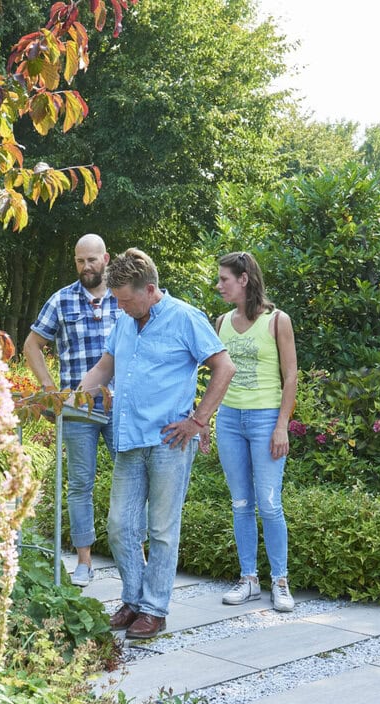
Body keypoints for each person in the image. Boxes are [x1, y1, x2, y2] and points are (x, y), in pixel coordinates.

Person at [78, 248, 235, 638]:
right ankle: (133, 600)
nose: (120, 307)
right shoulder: (125, 322)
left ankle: (154, 609)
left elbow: (224, 367)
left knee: (162, 529)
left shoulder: (186, 318)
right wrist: (69, 399)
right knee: (120, 527)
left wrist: (198, 420)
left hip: (169, 443)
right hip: (129, 439)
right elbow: (104, 368)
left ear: (149, 290)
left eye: (125, 300)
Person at [23, 234, 120, 587]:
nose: (86, 266)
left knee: (131, 479)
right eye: (80, 261)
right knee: (80, 484)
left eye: (92, 259)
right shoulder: (62, 300)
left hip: (121, 405)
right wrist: (50, 390)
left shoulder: (123, 297)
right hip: (78, 409)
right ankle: (84, 562)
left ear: (105, 259)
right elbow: (32, 344)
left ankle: (134, 555)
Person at [212, 251, 298, 612]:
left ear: (244, 279)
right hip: (230, 420)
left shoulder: (277, 320)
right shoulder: (221, 322)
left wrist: (281, 426)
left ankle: (280, 581)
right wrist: (205, 421)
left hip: (265, 420)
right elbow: (215, 376)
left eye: (224, 280)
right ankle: (249, 580)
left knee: (269, 503)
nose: (219, 286)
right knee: (241, 503)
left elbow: (290, 377)